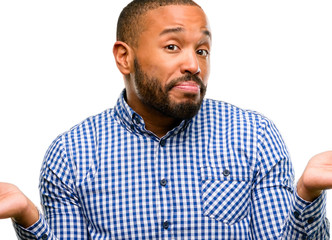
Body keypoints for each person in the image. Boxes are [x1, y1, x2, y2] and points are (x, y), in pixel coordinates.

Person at [0, 0, 331, 239]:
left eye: (202, 50)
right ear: (124, 57)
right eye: (173, 46)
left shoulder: (253, 135)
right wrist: (27, 216)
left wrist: (306, 193)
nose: (193, 65)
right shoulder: (70, 154)